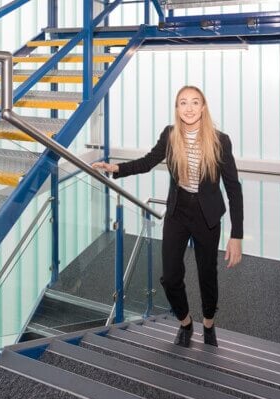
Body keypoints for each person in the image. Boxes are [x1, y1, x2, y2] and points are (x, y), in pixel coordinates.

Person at [92, 85, 243, 348]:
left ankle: (208, 324)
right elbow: (148, 162)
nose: (189, 108)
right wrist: (115, 168)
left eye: (195, 102)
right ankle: (185, 323)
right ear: (177, 108)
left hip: (207, 214)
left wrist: (237, 235)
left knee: (207, 274)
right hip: (178, 211)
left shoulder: (220, 140)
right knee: (170, 276)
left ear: (203, 107)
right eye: (183, 103)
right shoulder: (171, 135)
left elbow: (233, 188)